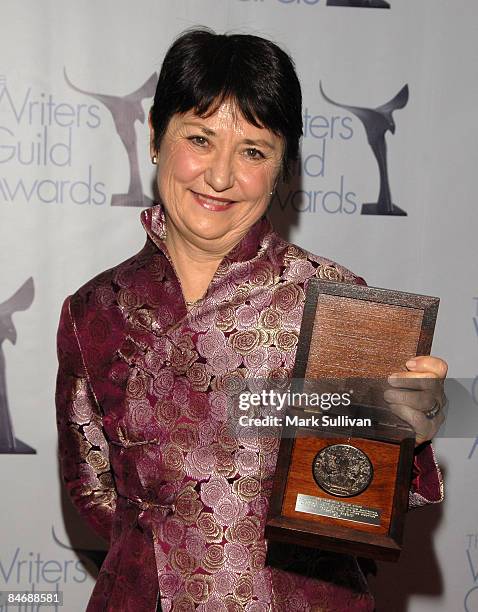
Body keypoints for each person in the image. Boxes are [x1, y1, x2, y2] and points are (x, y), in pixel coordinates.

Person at [55, 28, 447, 612]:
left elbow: (355, 497)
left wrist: (410, 431)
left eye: (253, 151)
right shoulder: (95, 310)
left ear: (283, 166)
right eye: (200, 138)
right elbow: (92, 493)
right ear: (156, 139)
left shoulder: (336, 302)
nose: (219, 176)